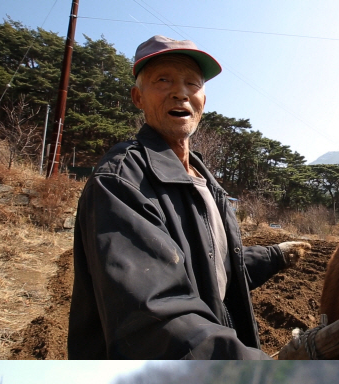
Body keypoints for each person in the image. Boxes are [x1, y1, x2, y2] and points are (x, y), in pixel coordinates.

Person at [69, 35, 310, 359]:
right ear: (137, 97)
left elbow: (212, 269)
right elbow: (154, 315)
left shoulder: (204, 182)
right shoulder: (121, 181)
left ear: (203, 100)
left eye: (192, 83)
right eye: (163, 80)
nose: (180, 92)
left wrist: (274, 254)